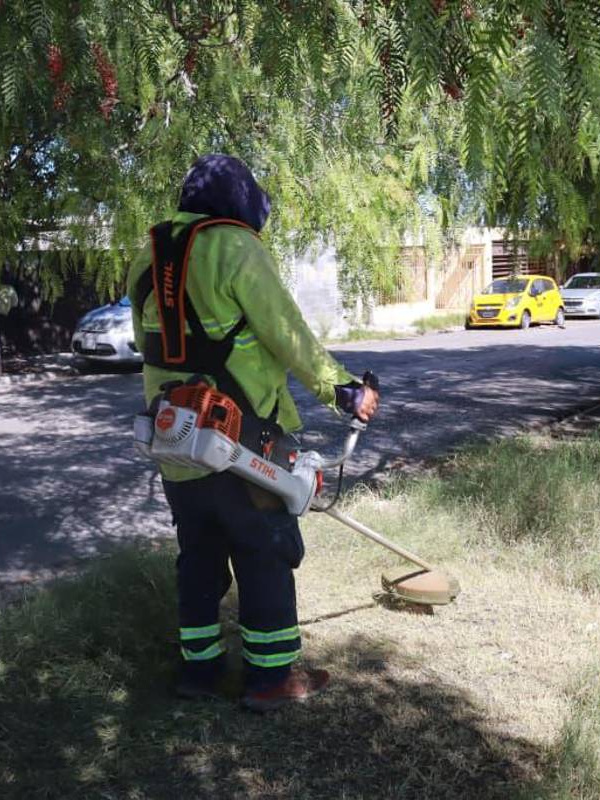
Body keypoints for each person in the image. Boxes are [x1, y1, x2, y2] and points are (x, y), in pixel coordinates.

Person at [128, 154, 380, 711]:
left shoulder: (148, 253)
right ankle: (269, 680)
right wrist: (343, 390)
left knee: (198, 554)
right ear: (241, 203)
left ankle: (199, 671)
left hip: (176, 437)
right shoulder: (235, 247)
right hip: (242, 439)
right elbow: (287, 334)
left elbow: (149, 345)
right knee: (265, 550)